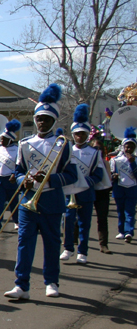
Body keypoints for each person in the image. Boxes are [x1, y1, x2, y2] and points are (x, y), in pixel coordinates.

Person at [5, 84, 77, 300]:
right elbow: (18, 171)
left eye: (46, 119)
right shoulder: (24, 144)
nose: (41, 122)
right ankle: (22, 285)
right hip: (28, 199)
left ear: (54, 121)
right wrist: (23, 180)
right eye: (39, 118)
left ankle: (51, 282)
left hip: (52, 199)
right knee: (24, 243)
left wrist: (48, 179)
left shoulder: (63, 144)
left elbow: (71, 175)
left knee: (52, 243)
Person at [60, 105, 104, 264]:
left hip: (86, 192)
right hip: (70, 193)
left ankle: (82, 252)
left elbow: (98, 175)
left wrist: (86, 182)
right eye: (77, 134)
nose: (79, 137)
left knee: (85, 223)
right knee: (68, 222)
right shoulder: (67, 150)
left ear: (87, 135)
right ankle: (68, 248)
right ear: (73, 134)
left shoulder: (95, 153)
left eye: (83, 134)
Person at [0, 121, 21, 233]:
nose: (2, 141)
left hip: (11, 180)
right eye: (2, 139)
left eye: (4, 139)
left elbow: (20, 166)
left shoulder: (18, 149)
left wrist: (15, 174)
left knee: (14, 203)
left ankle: (17, 222)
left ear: (11, 139)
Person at [111, 127, 137, 243]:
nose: (129, 149)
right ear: (123, 147)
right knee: (120, 211)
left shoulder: (136, 160)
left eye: (131, 147)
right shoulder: (116, 160)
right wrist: (114, 176)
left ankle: (129, 232)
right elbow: (111, 175)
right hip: (119, 188)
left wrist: (133, 163)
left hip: (132, 188)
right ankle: (121, 231)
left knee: (130, 211)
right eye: (127, 146)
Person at [90, 137, 113, 253]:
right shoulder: (88, 160)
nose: (97, 150)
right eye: (95, 148)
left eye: (99, 148)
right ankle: (75, 241)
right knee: (81, 217)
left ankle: (104, 244)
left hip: (102, 192)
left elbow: (108, 178)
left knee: (102, 219)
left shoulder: (105, 162)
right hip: (89, 190)